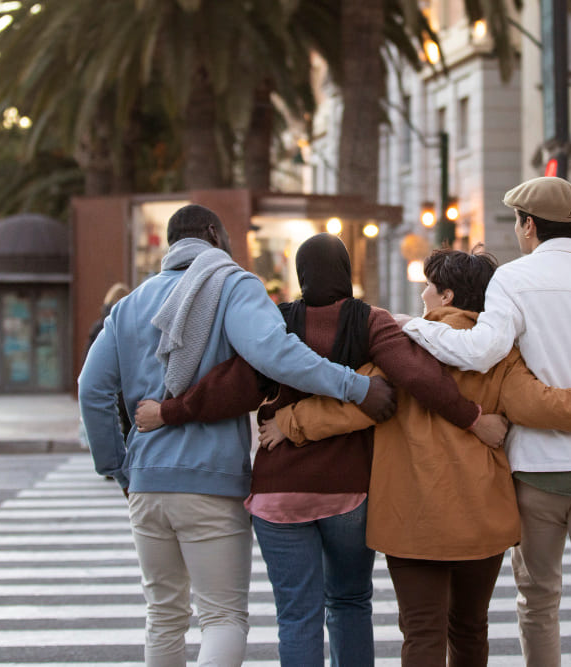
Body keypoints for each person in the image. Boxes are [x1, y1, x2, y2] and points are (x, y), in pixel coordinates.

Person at [255, 245, 571, 667]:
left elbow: (356, 404)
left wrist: (289, 422)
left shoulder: (403, 346)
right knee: (469, 629)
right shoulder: (499, 356)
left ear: (447, 296)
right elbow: (538, 402)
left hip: (412, 520)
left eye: (429, 286)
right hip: (481, 517)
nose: (422, 294)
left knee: (421, 632)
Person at [134, 233, 497, 667]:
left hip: (279, 492)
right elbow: (417, 377)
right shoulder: (371, 321)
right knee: (349, 601)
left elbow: (231, 386)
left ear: (301, 275)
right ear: (345, 272)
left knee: (296, 614)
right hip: (348, 490)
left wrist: (168, 411)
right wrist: (472, 417)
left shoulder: (277, 322)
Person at [78, 206, 395, 667]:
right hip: (211, 482)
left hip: (146, 484)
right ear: (213, 233)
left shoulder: (131, 303)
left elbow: (91, 389)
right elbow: (274, 353)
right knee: (223, 618)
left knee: (163, 616)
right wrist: (354, 385)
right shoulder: (232, 285)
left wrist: (119, 469)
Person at [402, 177, 571, 666]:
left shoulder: (514, 280)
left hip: (540, 467)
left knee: (539, 599)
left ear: (528, 225)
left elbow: (481, 352)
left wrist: (414, 327)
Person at [81, 282, 132, 448]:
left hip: (106, 384)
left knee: (108, 427)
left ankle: (113, 459)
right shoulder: (132, 325)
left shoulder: (100, 326)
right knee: (130, 428)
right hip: (127, 385)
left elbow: (88, 359)